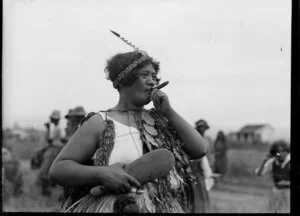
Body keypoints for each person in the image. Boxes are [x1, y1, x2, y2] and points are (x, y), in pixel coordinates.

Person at [49, 33, 207, 213]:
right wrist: (102, 174)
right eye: (145, 75)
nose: (152, 81)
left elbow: (199, 149)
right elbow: (58, 169)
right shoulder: (100, 122)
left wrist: (169, 111)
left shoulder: (161, 121)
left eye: (154, 76)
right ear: (124, 81)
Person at [254, 140, 290, 213]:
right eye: (279, 152)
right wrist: (264, 162)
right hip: (276, 190)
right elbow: (258, 174)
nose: (282, 154)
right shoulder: (272, 162)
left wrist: (286, 182)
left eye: (284, 151)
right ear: (275, 153)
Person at [37, 110, 66, 196]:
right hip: (51, 149)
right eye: (54, 118)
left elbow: (56, 139)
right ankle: (45, 189)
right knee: (46, 169)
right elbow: (49, 140)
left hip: (55, 149)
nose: (55, 120)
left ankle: (49, 186)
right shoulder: (50, 127)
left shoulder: (56, 128)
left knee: (52, 169)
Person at [189, 119, 214, 213]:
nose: (202, 129)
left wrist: (210, 166)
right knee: (196, 193)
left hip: (204, 168)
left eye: (204, 127)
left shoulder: (208, 139)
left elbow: (210, 153)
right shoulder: (193, 137)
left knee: (204, 191)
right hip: (195, 169)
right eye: (201, 127)